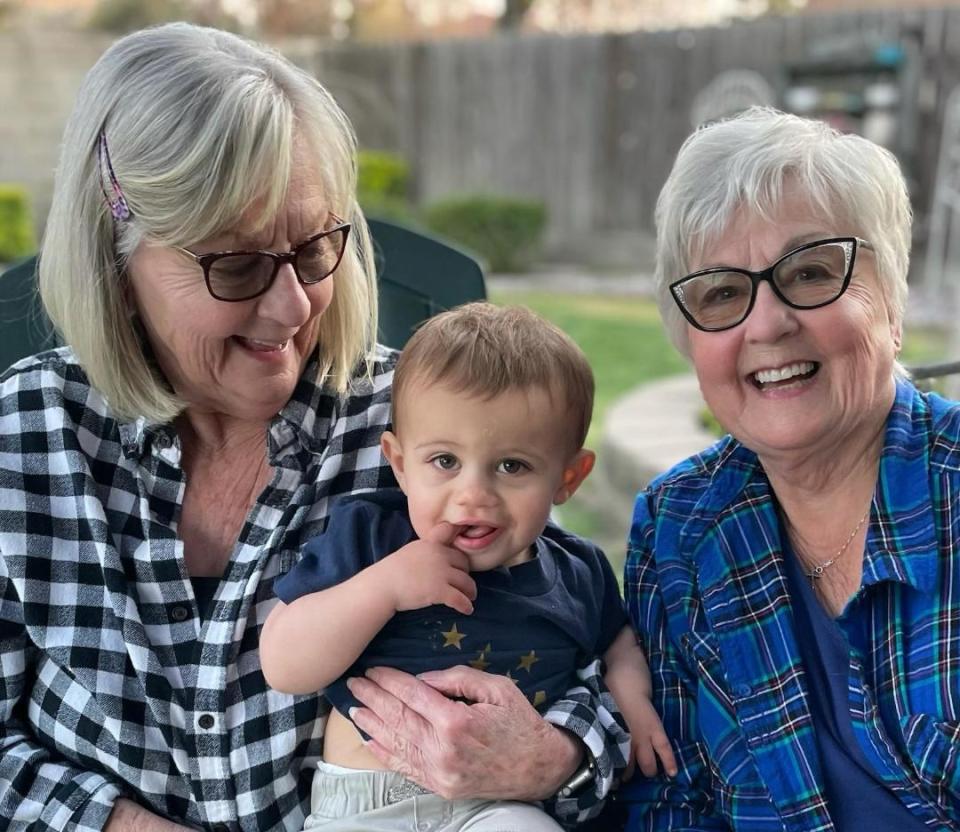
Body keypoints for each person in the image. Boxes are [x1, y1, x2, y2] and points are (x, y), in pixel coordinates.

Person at [0, 24, 630, 832]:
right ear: (117, 264)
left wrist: (552, 757)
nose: (292, 307)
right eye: (235, 264)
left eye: (313, 248)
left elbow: (581, 646)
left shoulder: (426, 425)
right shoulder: (26, 435)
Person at [619, 105, 960, 831]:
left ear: (892, 303)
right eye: (721, 292)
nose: (767, 323)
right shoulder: (679, 526)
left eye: (809, 272)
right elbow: (672, 800)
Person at [260, 302, 677, 831]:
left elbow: (617, 643)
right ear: (400, 464)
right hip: (366, 802)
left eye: (512, 466)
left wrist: (634, 702)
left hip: (502, 804)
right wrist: (383, 588)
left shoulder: (578, 571)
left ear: (569, 478)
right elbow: (283, 663)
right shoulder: (371, 537)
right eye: (445, 462)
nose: (474, 495)